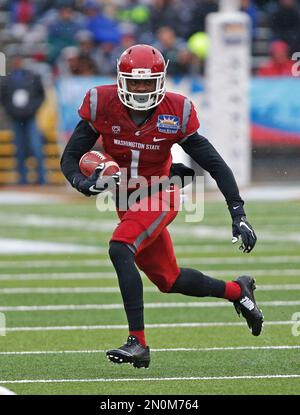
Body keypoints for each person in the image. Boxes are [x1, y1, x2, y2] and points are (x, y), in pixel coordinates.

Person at [60, 44, 263, 369]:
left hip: (161, 192)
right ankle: (237, 291)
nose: (141, 89)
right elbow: (70, 158)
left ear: (161, 80)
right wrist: (86, 185)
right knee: (169, 280)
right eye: (135, 82)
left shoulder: (175, 110)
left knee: (119, 247)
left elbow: (214, 163)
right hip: (126, 200)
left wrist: (238, 212)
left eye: (147, 82)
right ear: (121, 79)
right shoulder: (102, 103)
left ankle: (138, 342)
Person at [0, 51, 46, 185]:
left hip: (30, 117)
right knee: (19, 149)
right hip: (16, 118)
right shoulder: (7, 80)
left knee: (36, 148)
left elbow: (41, 96)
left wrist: (32, 109)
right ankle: (22, 180)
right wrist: (12, 111)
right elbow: (4, 99)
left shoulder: (33, 76)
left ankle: (41, 180)